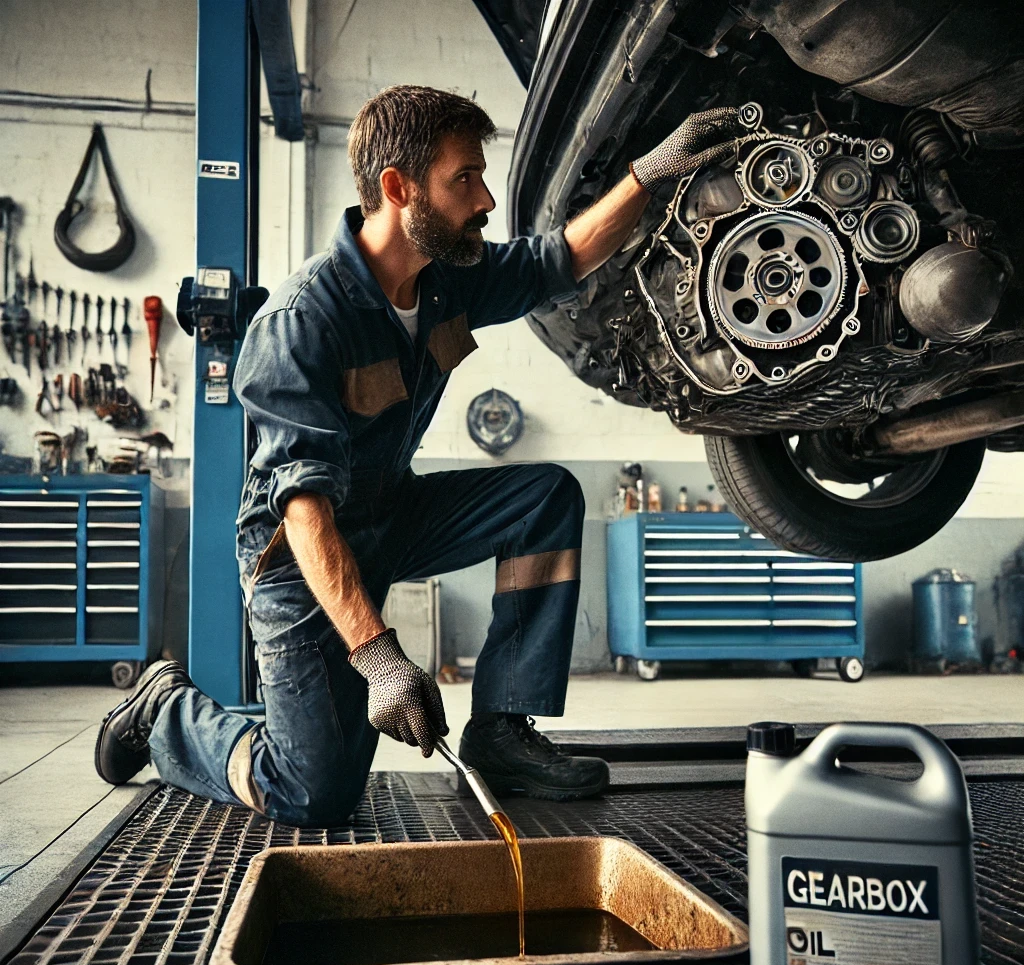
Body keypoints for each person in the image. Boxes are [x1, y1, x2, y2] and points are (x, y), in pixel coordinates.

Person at [95, 86, 747, 826]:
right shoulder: (302, 321)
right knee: (310, 792)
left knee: (545, 499)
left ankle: (502, 730)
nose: (487, 199)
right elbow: (305, 514)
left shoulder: (446, 280)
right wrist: (377, 658)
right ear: (398, 189)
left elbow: (559, 259)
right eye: (464, 178)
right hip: (299, 563)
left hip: (390, 514)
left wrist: (649, 175)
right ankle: (168, 713)